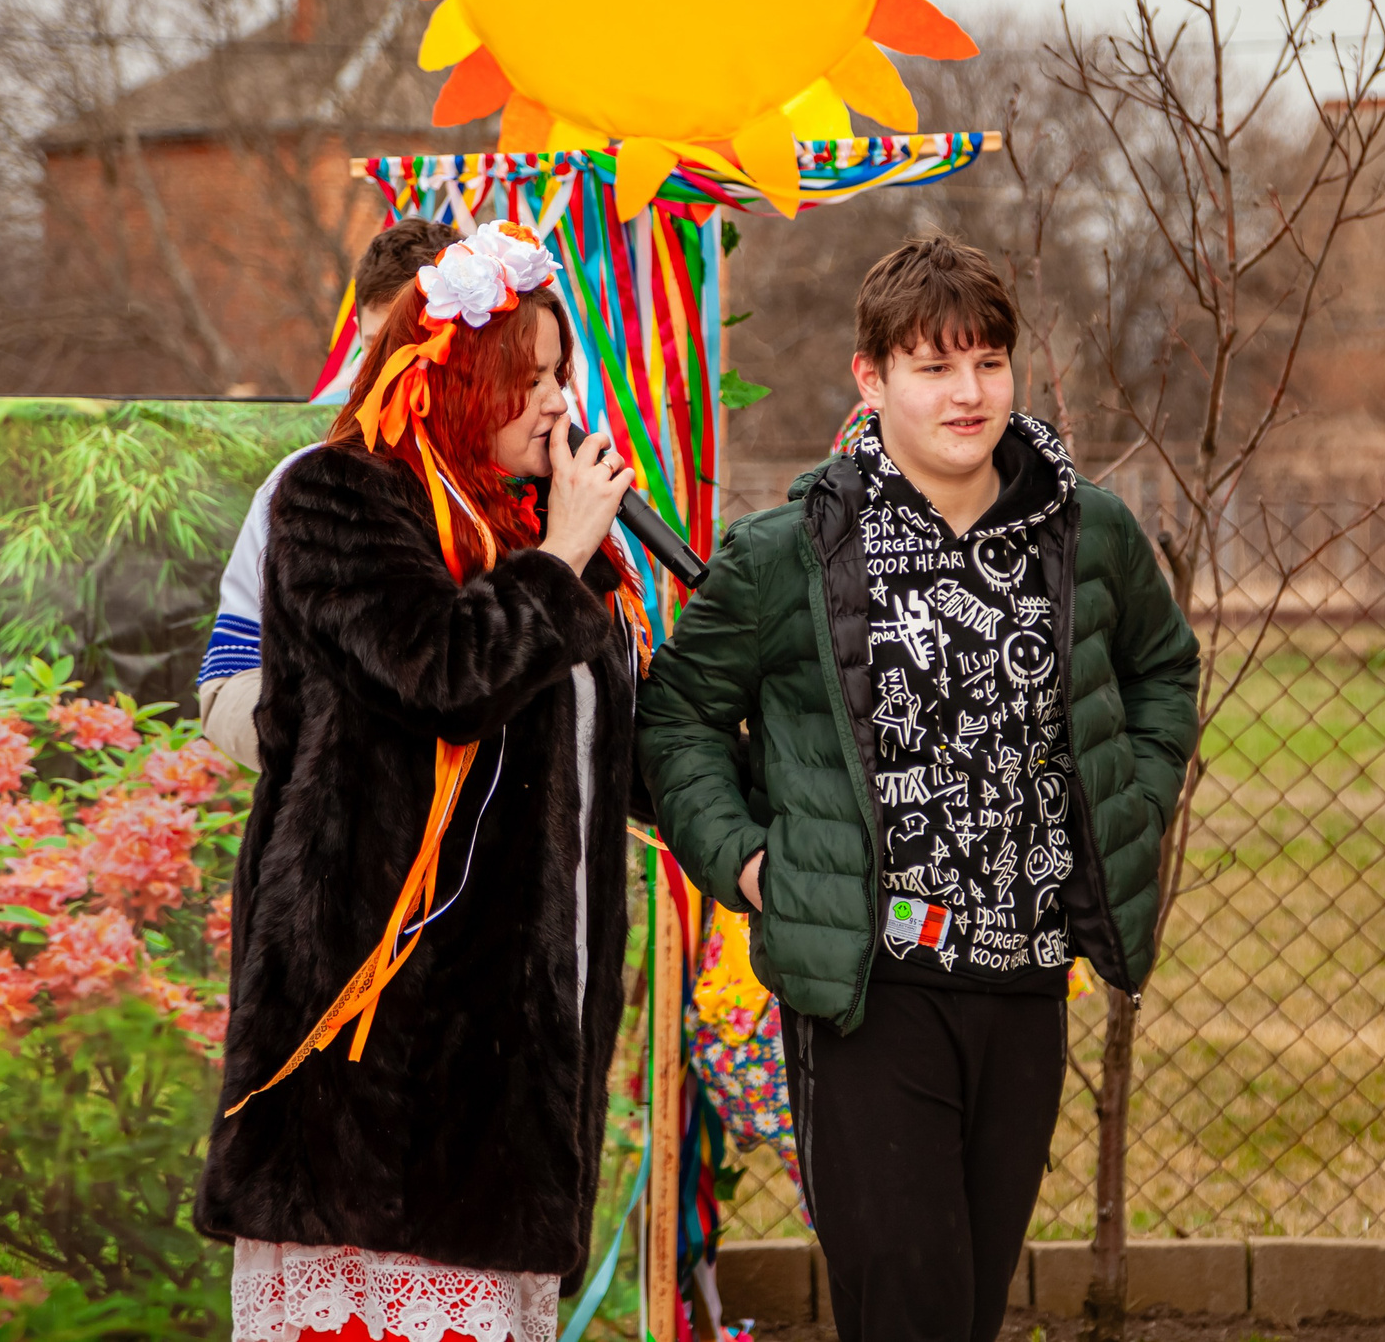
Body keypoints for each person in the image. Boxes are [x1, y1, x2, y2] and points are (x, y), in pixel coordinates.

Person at [638, 234, 1200, 1342]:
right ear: (871, 377)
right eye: (934, 366)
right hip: (868, 989)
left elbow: (1161, 670)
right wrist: (749, 862)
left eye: (988, 362)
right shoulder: (791, 550)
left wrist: (1129, 797)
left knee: (967, 1304)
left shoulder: (1089, 533)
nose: (968, 392)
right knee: (909, 1304)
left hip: (1027, 982)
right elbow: (677, 716)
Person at [195, 223, 644, 1342]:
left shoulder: (540, 527)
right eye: (524, 377)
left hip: (509, 1034)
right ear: (452, 378)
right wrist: (560, 562)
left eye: (559, 375)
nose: (554, 403)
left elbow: (605, 743)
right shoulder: (340, 499)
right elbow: (444, 672)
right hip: (381, 1052)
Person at [197, 216, 462, 771]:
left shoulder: (543, 488)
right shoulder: (302, 486)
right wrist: (339, 750)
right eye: (374, 350)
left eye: (413, 349)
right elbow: (228, 679)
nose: (388, 375)